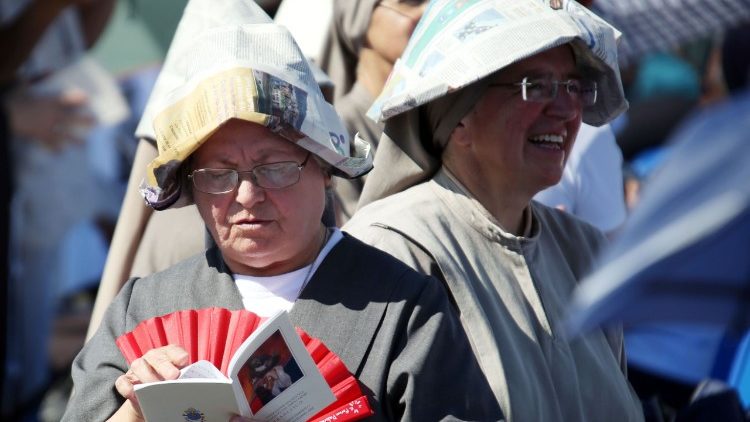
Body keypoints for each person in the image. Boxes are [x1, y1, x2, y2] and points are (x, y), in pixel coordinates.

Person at [61, 2, 502, 421]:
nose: (247, 195)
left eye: (275, 167)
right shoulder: (142, 309)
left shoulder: (404, 308)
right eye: (219, 173)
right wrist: (138, 410)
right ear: (191, 186)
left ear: (327, 169)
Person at [344, 0, 643, 420]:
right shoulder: (394, 251)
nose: (566, 110)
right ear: (459, 114)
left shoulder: (582, 249)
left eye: (574, 86)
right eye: (535, 86)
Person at [320, 0, 428, 224]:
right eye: (411, 2)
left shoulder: (434, 120)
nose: (427, 11)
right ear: (358, 21)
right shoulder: (338, 131)